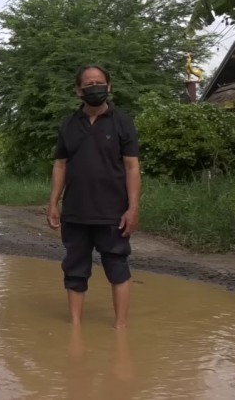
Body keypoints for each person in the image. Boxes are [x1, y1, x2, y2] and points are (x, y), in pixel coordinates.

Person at [47, 64, 141, 328]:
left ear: (109, 87)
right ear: (78, 91)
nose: (94, 88)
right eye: (88, 85)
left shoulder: (122, 122)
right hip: (75, 212)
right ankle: (75, 327)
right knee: (75, 269)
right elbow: (60, 165)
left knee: (117, 267)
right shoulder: (68, 124)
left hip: (114, 212)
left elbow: (132, 166)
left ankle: (121, 328)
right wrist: (53, 202)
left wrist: (133, 207)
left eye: (99, 83)